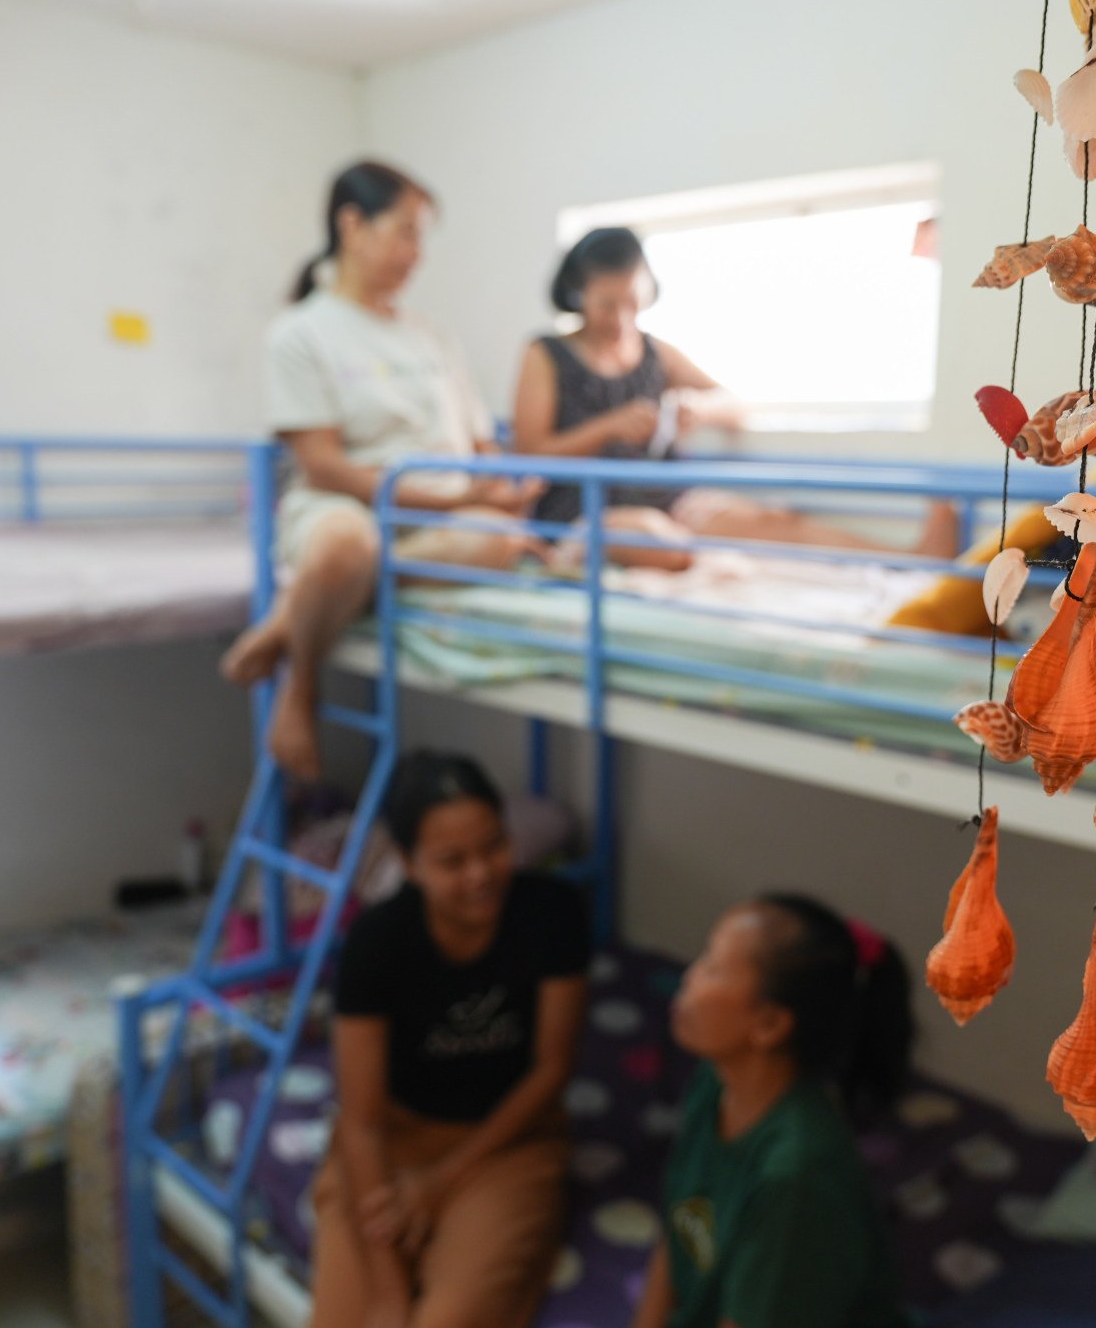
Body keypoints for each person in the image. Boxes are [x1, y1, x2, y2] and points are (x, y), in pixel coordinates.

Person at [222, 162, 542, 782]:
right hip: (349, 504)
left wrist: (503, 486)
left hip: (443, 515)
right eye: (406, 232)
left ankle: (293, 615)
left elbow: (482, 442)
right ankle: (300, 688)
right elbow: (323, 465)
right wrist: (447, 502)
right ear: (352, 226)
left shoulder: (432, 339)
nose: (417, 254)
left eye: (422, 238)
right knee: (348, 544)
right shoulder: (299, 333)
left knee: (504, 538)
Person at [311, 751, 589, 1328]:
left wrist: (439, 1183)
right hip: (394, 1141)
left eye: (494, 846)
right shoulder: (377, 942)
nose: (481, 874)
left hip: (508, 1144)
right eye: (452, 861)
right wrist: (387, 1294)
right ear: (408, 864)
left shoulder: (554, 916)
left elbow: (551, 1071)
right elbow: (362, 1123)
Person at [511, 227, 958, 568]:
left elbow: (734, 404)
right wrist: (607, 429)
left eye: (632, 302)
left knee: (772, 523)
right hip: (585, 508)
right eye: (607, 304)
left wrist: (699, 409)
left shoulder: (655, 352)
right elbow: (529, 452)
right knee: (659, 540)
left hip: (668, 500)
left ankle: (912, 561)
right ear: (578, 295)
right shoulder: (545, 354)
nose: (622, 318)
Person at [632, 895, 913, 1328]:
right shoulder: (716, 1079)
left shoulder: (796, 1177)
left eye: (713, 968)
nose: (689, 976)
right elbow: (681, 1223)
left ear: (769, 1025)